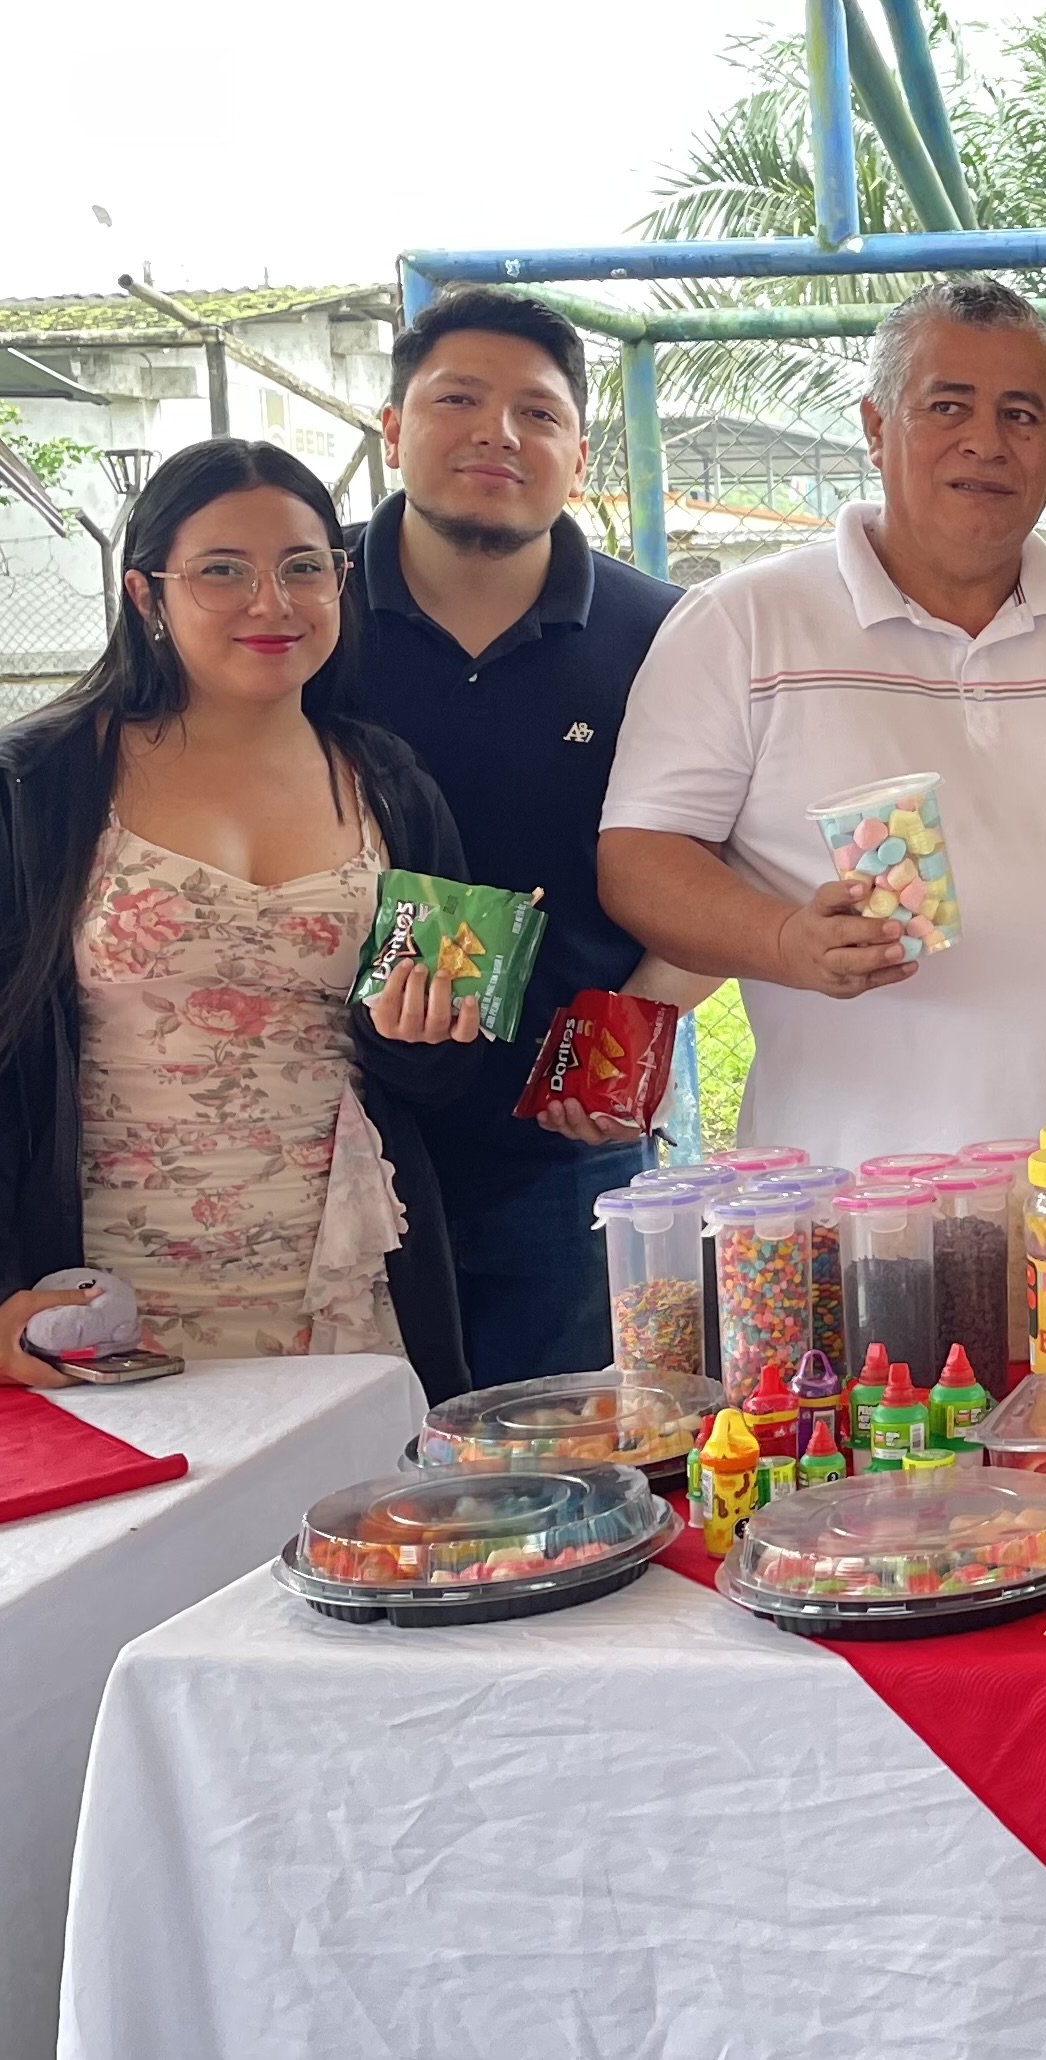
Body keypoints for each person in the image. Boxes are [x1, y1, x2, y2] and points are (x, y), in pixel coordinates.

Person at [601, 277, 1046, 1164]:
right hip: (847, 1193)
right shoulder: (743, 622)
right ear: (876, 428)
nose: (986, 441)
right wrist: (785, 941)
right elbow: (639, 859)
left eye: (1021, 415)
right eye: (948, 406)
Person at [0, 440, 490, 1392]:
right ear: (146, 595)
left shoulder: (392, 784)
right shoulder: (37, 785)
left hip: (349, 1293)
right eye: (222, 571)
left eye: (304, 568)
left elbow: (450, 1074)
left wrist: (422, 1040)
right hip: (101, 1307)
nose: (272, 602)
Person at [341, 287, 708, 1385]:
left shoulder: (666, 635)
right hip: (332, 1136)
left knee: (570, 1454)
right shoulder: (305, 612)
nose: (498, 434)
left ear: (579, 456)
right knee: (341, 1457)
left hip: (562, 1148)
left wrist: (635, 1029)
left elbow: (735, 859)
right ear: (393, 428)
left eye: (538, 414)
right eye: (458, 399)